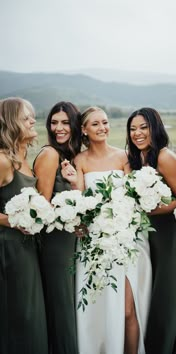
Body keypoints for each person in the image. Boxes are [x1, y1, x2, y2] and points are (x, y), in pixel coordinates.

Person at [62, 106, 152, 354]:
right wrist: (72, 183)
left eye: (105, 122)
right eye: (95, 124)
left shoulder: (124, 156)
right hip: (94, 243)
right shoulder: (79, 161)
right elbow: (80, 203)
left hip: (127, 239)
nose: (102, 128)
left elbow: (135, 196)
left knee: (126, 309)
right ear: (84, 130)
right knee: (98, 306)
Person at [126, 107, 176, 354]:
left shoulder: (165, 157)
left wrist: (153, 209)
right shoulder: (137, 159)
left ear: (155, 127)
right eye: (133, 129)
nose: (137, 133)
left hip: (173, 238)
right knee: (155, 298)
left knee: (170, 298)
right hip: (151, 239)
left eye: (143, 127)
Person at [0, 97, 48, 354]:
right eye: (25, 117)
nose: (33, 120)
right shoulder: (2, 161)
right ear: (10, 123)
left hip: (28, 248)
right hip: (8, 251)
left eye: (32, 115)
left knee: (31, 316)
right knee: (19, 317)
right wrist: (12, 220)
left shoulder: (27, 158)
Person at [33, 101, 81, 354]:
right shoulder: (51, 154)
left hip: (70, 240)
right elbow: (42, 206)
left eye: (64, 122)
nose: (59, 128)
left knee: (70, 303)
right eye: (54, 122)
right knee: (61, 303)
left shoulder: (69, 155)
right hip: (55, 243)